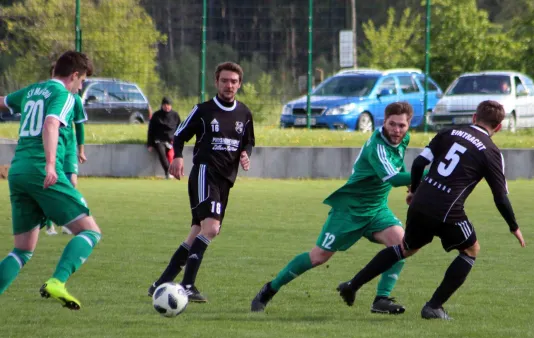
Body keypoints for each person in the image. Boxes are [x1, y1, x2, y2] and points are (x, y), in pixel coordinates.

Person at [337, 100, 526, 320]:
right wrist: (514, 226)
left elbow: (418, 164)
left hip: (421, 204)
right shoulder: (492, 152)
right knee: (471, 250)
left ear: (474, 117)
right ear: (499, 127)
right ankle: (434, 306)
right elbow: (500, 197)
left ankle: (352, 285)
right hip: (448, 211)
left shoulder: (449, 132)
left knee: (405, 248)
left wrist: (414, 192)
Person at [251, 102, 418, 315]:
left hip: (376, 209)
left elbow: (399, 165)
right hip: (349, 210)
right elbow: (393, 178)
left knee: (402, 245)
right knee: (318, 257)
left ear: (409, 124)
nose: (397, 130)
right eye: (392, 124)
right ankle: (269, 289)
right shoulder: (377, 146)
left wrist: (411, 186)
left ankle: (381, 299)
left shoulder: (403, 139)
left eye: (402, 126)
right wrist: (427, 174)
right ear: (383, 122)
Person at [0, 51, 101, 310]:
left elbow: (2, 102)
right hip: (39, 171)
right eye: (82, 81)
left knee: (22, 249)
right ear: (75, 75)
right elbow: (51, 124)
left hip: (18, 170)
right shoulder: (64, 96)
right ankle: (58, 281)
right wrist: (49, 164)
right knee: (90, 231)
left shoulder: (34, 90)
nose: (81, 87)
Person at [147, 62, 255, 302]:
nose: (229, 85)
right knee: (211, 229)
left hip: (226, 179)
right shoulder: (203, 110)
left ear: (239, 84)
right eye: (225, 80)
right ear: (216, 82)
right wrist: (175, 159)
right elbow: (179, 135)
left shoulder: (244, 113)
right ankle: (187, 285)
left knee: (196, 233)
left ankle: (160, 283)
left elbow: (248, 141)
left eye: (234, 81)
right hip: (205, 174)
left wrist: (246, 153)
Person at [46, 64, 88, 236]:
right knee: (51, 183)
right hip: (53, 144)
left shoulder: (75, 100)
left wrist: (81, 149)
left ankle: (68, 222)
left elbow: (79, 126)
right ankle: (49, 225)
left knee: (72, 183)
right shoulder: (50, 96)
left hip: (69, 146)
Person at [147, 96, 181, 179]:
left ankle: (174, 172)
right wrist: (150, 144)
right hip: (159, 140)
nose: (167, 107)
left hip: (171, 140)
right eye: (165, 105)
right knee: (161, 153)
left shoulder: (175, 115)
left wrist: (178, 140)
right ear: (162, 105)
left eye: (168, 105)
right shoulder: (156, 115)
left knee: (172, 155)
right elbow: (151, 130)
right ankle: (168, 172)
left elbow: (180, 129)